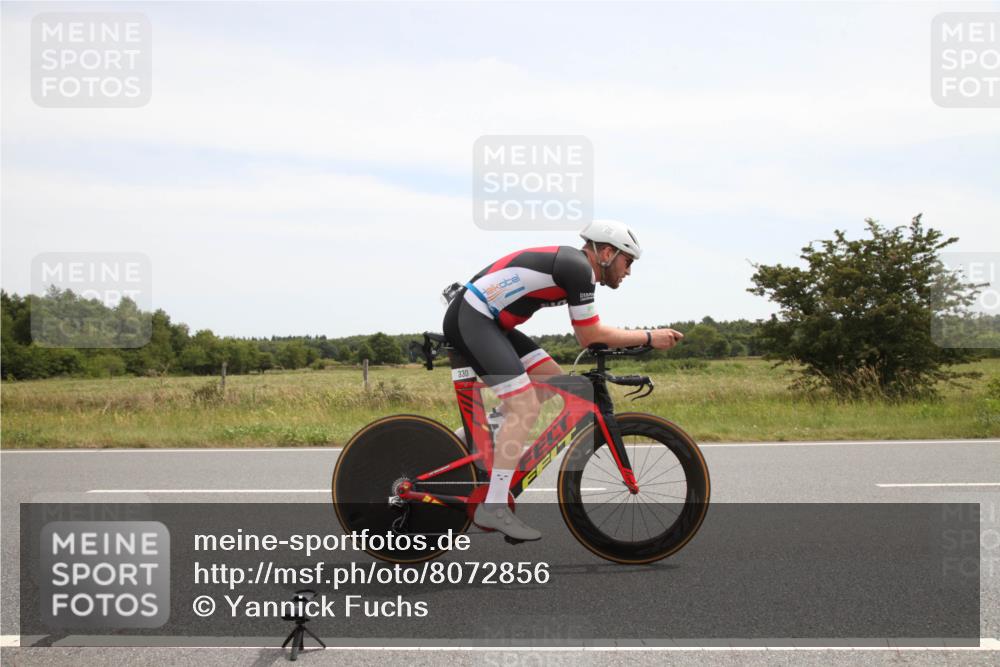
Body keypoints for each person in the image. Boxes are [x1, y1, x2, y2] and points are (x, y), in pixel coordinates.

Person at [442, 220, 684, 541]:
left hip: (485, 318)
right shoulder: (578, 268)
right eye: (628, 262)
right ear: (608, 253)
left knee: (550, 379)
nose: (628, 271)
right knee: (524, 404)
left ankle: (471, 437)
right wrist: (650, 337)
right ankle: (495, 506)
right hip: (474, 317)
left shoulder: (575, 267)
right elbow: (590, 335)